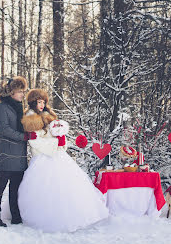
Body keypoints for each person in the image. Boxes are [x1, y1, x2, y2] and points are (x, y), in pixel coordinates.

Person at [15, 89, 109, 232]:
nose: (41, 105)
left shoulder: (51, 117)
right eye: (38, 102)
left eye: (43, 102)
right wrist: (55, 144)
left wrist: (61, 140)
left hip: (59, 158)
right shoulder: (30, 118)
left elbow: (58, 139)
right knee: (43, 191)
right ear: (33, 103)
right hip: (41, 159)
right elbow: (35, 143)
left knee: (68, 186)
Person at [0, 77, 37, 227]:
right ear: (11, 92)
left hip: (20, 157)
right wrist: (24, 136)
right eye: (20, 92)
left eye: (23, 92)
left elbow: (23, 127)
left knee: (15, 190)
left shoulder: (19, 108)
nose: (23, 95)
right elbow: (5, 130)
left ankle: (16, 217)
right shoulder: (1, 108)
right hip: (6, 155)